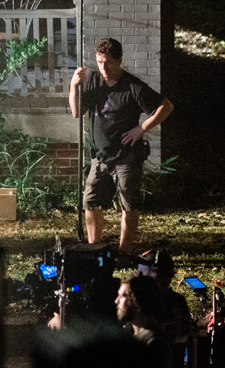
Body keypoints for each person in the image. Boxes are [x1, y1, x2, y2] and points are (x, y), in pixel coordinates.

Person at [70, 38, 174, 253]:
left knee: (128, 204)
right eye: (99, 62)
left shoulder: (133, 86)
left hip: (126, 156)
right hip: (100, 155)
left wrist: (142, 127)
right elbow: (76, 111)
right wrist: (73, 85)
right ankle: (94, 249)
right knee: (91, 202)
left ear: (119, 61)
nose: (103, 67)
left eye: (108, 62)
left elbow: (166, 106)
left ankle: (124, 252)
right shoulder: (93, 81)